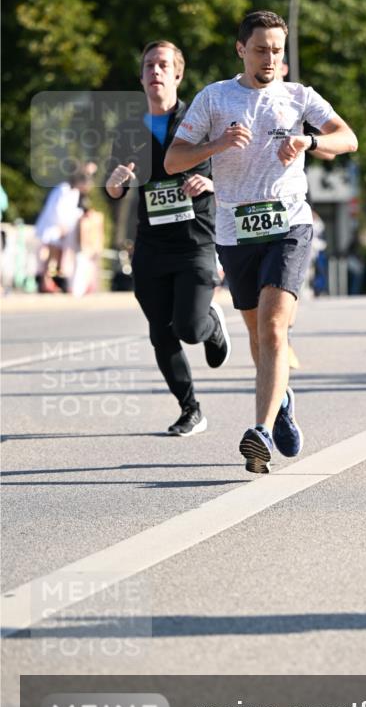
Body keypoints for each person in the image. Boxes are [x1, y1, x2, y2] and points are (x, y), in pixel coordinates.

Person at [165, 10, 358, 473]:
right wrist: (216, 146)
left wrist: (308, 143)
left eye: (276, 50)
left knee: (274, 328)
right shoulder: (214, 99)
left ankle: (261, 432)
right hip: (236, 231)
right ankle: (283, 399)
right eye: (260, 49)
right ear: (240, 49)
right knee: (257, 336)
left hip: (290, 224)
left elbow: (348, 138)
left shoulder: (298, 97)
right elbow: (174, 160)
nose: (269, 58)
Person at [106, 40, 231, 436]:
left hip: (195, 240)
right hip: (152, 245)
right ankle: (189, 408)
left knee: (188, 328)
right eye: (148, 66)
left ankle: (211, 325)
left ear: (178, 74)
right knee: (161, 331)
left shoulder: (200, 121)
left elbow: (231, 172)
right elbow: (115, 187)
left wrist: (208, 181)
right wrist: (114, 184)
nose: (155, 72)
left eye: (163, 65)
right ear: (141, 77)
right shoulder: (129, 129)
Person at [34, 162, 96, 292]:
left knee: (55, 257)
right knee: (50, 256)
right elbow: (56, 209)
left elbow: (71, 211)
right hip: (53, 227)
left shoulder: (74, 193)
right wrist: (62, 226)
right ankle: (45, 281)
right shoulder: (63, 189)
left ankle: (48, 281)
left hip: (60, 228)